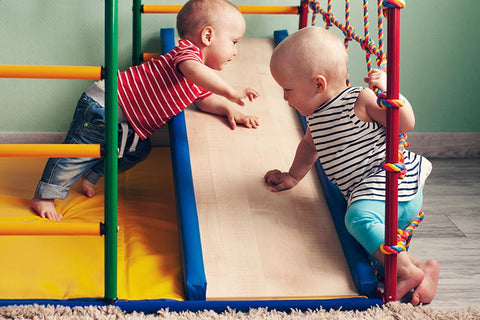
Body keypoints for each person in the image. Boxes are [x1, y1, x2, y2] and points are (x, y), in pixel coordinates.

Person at [31, 0, 259, 221]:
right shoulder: (186, 54)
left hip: (130, 123)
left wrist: (229, 110)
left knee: (139, 150)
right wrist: (230, 91)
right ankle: (45, 196)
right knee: (78, 152)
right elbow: (194, 72)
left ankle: (92, 175)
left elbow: (203, 100)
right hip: (105, 106)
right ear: (207, 36)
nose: (236, 51)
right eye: (234, 41)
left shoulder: (201, 74)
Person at [264, 26, 439, 305]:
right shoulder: (317, 119)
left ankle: (404, 272)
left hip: (391, 183)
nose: (285, 98)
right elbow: (309, 147)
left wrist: (393, 94)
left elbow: (405, 123)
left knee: (355, 219)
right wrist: (293, 177)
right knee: (372, 253)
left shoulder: (358, 99)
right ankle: (421, 269)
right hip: (369, 195)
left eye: (287, 90)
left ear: (318, 85)